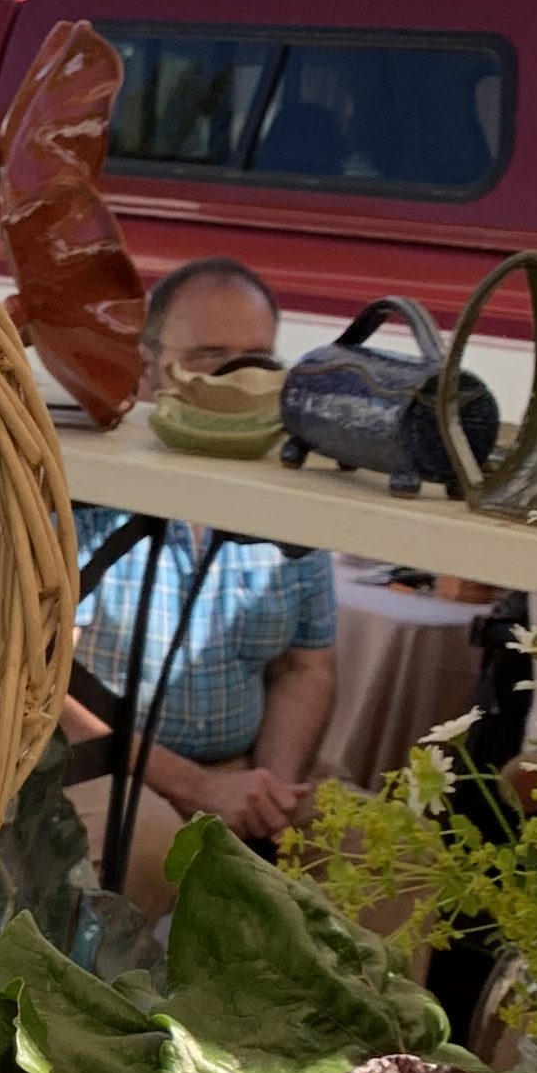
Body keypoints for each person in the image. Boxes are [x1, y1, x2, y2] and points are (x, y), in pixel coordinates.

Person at [66, 255, 337, 911]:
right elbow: (38, 682)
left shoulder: (289, 503)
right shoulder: (81, 493)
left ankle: (340, 1016)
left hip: (239, 771)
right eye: (213, 355)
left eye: (258, 358)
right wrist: (190, 786)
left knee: (392, 851)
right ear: (150, 364)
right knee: (156, 854)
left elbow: (306, 666)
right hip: (95, 768)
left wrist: (271, 789)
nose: (239, 376)